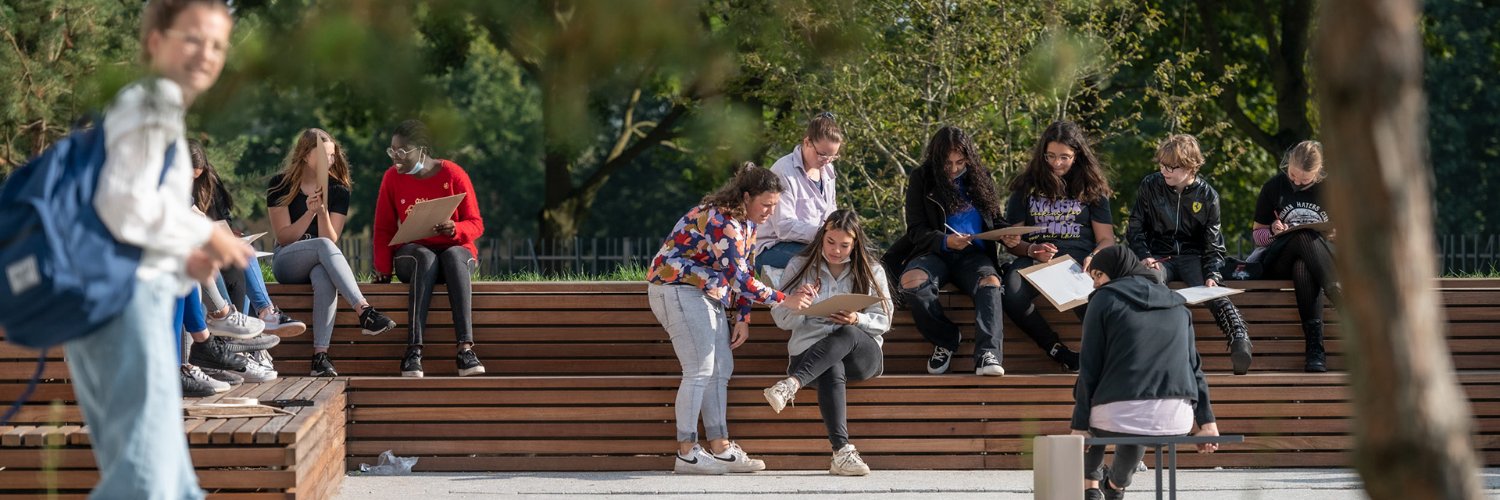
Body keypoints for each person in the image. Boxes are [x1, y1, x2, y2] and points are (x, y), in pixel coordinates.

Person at [69, 0, 253, 497]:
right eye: (193, 39)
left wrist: (188, 255)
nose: (207, 54)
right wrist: (203, 233)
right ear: (157, 43)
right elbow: (117, 202)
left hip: (139, 305)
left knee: (168, 479)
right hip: (120, 313)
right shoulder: (143, 107)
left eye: (217, 44)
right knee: (145, 477)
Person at [646, 163, 816, 475]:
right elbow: (739, 277)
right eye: (765, 205)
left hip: (704, 293)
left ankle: (721, 448)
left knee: (721, 367)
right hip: (677, 289)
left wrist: (744, 317)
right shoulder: (721, 219)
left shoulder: (748, 223)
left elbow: (745, 270)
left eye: (774, 206)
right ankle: (686, 452)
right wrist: (786, 300)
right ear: (746, 196)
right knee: (700, 369)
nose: (769, 212)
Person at [1072, 245, 1220, 500]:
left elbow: (1089, 367)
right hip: (1177, 422)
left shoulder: (1103, 300)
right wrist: (1208, 424)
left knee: (1101, 407)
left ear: (1113, 272)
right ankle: (1116, 486)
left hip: (1117, 417)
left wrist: (1079, 427)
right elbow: (1194, 367)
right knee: (1138, 409)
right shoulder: (1179, 304)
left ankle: (1091, 488)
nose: (1095, 285)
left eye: (1097, 276)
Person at [881, 126, 1019, 376]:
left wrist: (1006, 233)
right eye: (948, 163)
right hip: (935, 252)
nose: (954, 168)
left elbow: (995, 219)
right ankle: (945, 339)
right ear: (936, 158)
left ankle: (989, 354)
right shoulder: (921, 178)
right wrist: (945, 241)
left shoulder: (980, 176)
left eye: (960, 162)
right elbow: (916, 230)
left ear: (969, 158)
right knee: (911, 281)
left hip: (974, 256)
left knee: (990, 281)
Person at [765, 209, 891, 476]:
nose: (836, 250)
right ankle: (842, 453)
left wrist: (857, 318)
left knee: (846, 334)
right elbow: (781, 319)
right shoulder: (800, 266)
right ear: (822, 237)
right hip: (811, 356)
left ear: (855, 244)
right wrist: (798, 305)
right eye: (830, 242)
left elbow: (884, 320)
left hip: (862, 356)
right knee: (831, 366)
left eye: (844, 245)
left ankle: (792, 384)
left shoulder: (871, 268)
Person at [267, 128, 396, 377]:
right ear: (306, 156)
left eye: (333, 156)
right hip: (287, 260)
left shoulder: (338, 190)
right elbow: (284, 238)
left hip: (320, 262)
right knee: (325, 247)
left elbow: (331, 237)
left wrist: (323, 211)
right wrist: (308, 213)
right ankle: (365, 312)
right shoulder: (280, 185)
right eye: (325, 155)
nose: (331, 161)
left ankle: (320, 357)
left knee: (324, 277)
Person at [1125, 134, 1253, 375]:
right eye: (1162, 164)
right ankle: (1146, 350)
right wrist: (1144, 254)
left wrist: (1212, 272)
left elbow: (1213, 243)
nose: (1164, 170)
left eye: (1171, 166)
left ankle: (1239, 339)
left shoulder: (1207, 196)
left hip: (1192, 257)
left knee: (1212, 288)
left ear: (1190, 166)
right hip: (1159, 256)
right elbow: (1134, 228)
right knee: (1149, 282)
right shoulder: (1150, 186)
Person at [371, 119, 486, 377]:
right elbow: (383, 229)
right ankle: (413, 351)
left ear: (421, 150)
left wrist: (456, 229)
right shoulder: (391, 178)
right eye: (392, 151)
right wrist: (382, 268)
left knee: (455, 255)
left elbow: (476, 223)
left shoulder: (453, 174)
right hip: (414, 256)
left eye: (402, 151)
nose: (396, 158)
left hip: (453, 254)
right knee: (423, 257)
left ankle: (466, 350)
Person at [1001, 121, 1115, 372]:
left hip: (1078, 260)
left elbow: (1107, 239)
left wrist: (1095, 257)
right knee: (1011, 292)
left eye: (1065, 157)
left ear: (1077, 156)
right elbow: (1012, 242)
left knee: (1094, 297)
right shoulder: (1025, 188)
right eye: (1051, 156)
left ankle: (1103, 361)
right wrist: (1030, 250)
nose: (1057, 163)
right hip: (1038, 258)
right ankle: (1056, 349)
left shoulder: (1091, 187)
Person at [189, 139, 307, 338]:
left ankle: (266, 313)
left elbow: (223, 216)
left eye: (197, 177)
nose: (192, 181)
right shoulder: (169, 188)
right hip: (195, 250)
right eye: (189, 176)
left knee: (245, 254)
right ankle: (237, 327)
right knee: (229, 266)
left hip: (214, 244)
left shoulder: (209, 182)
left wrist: (230, 234)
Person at [1251, 141, 1339, 372]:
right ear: (1288, 164)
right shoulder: (1273, 187)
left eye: (1305, 180)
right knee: (1302, 236)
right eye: (1293, 176)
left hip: (1316, 262)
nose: (1297, 183)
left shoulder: (1331, 191)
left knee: (1303, 267)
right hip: (1278, 259)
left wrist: (1336, 235)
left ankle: (1315, 352)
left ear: (1318, 173)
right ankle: (1337, 293)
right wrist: (1271, 231)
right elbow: (1257, 237)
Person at [755, 112, 844, 278]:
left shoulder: (828, 169)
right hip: (774, 247)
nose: (827, 160)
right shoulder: (784, 171)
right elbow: (783, 227)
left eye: (833, 156)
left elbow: (831, 211)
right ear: (807, 142)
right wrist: (824, 234)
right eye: (823, 154)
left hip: (814, 243)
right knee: (827, 263)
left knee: (853, 257)